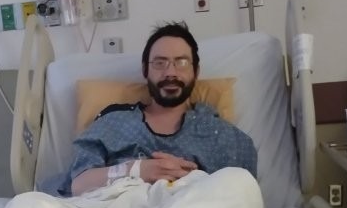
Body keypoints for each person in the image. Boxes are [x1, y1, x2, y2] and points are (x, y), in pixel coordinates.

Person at [58, 21, 257, 196]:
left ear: (196, 71)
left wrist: (193, 182)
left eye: (181, 62)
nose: (170, 72)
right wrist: (137, 170)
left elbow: (244, 195)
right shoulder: (114, 123)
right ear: (145, 70)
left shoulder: (220, 135)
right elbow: (79, 185)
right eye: (160, 63)